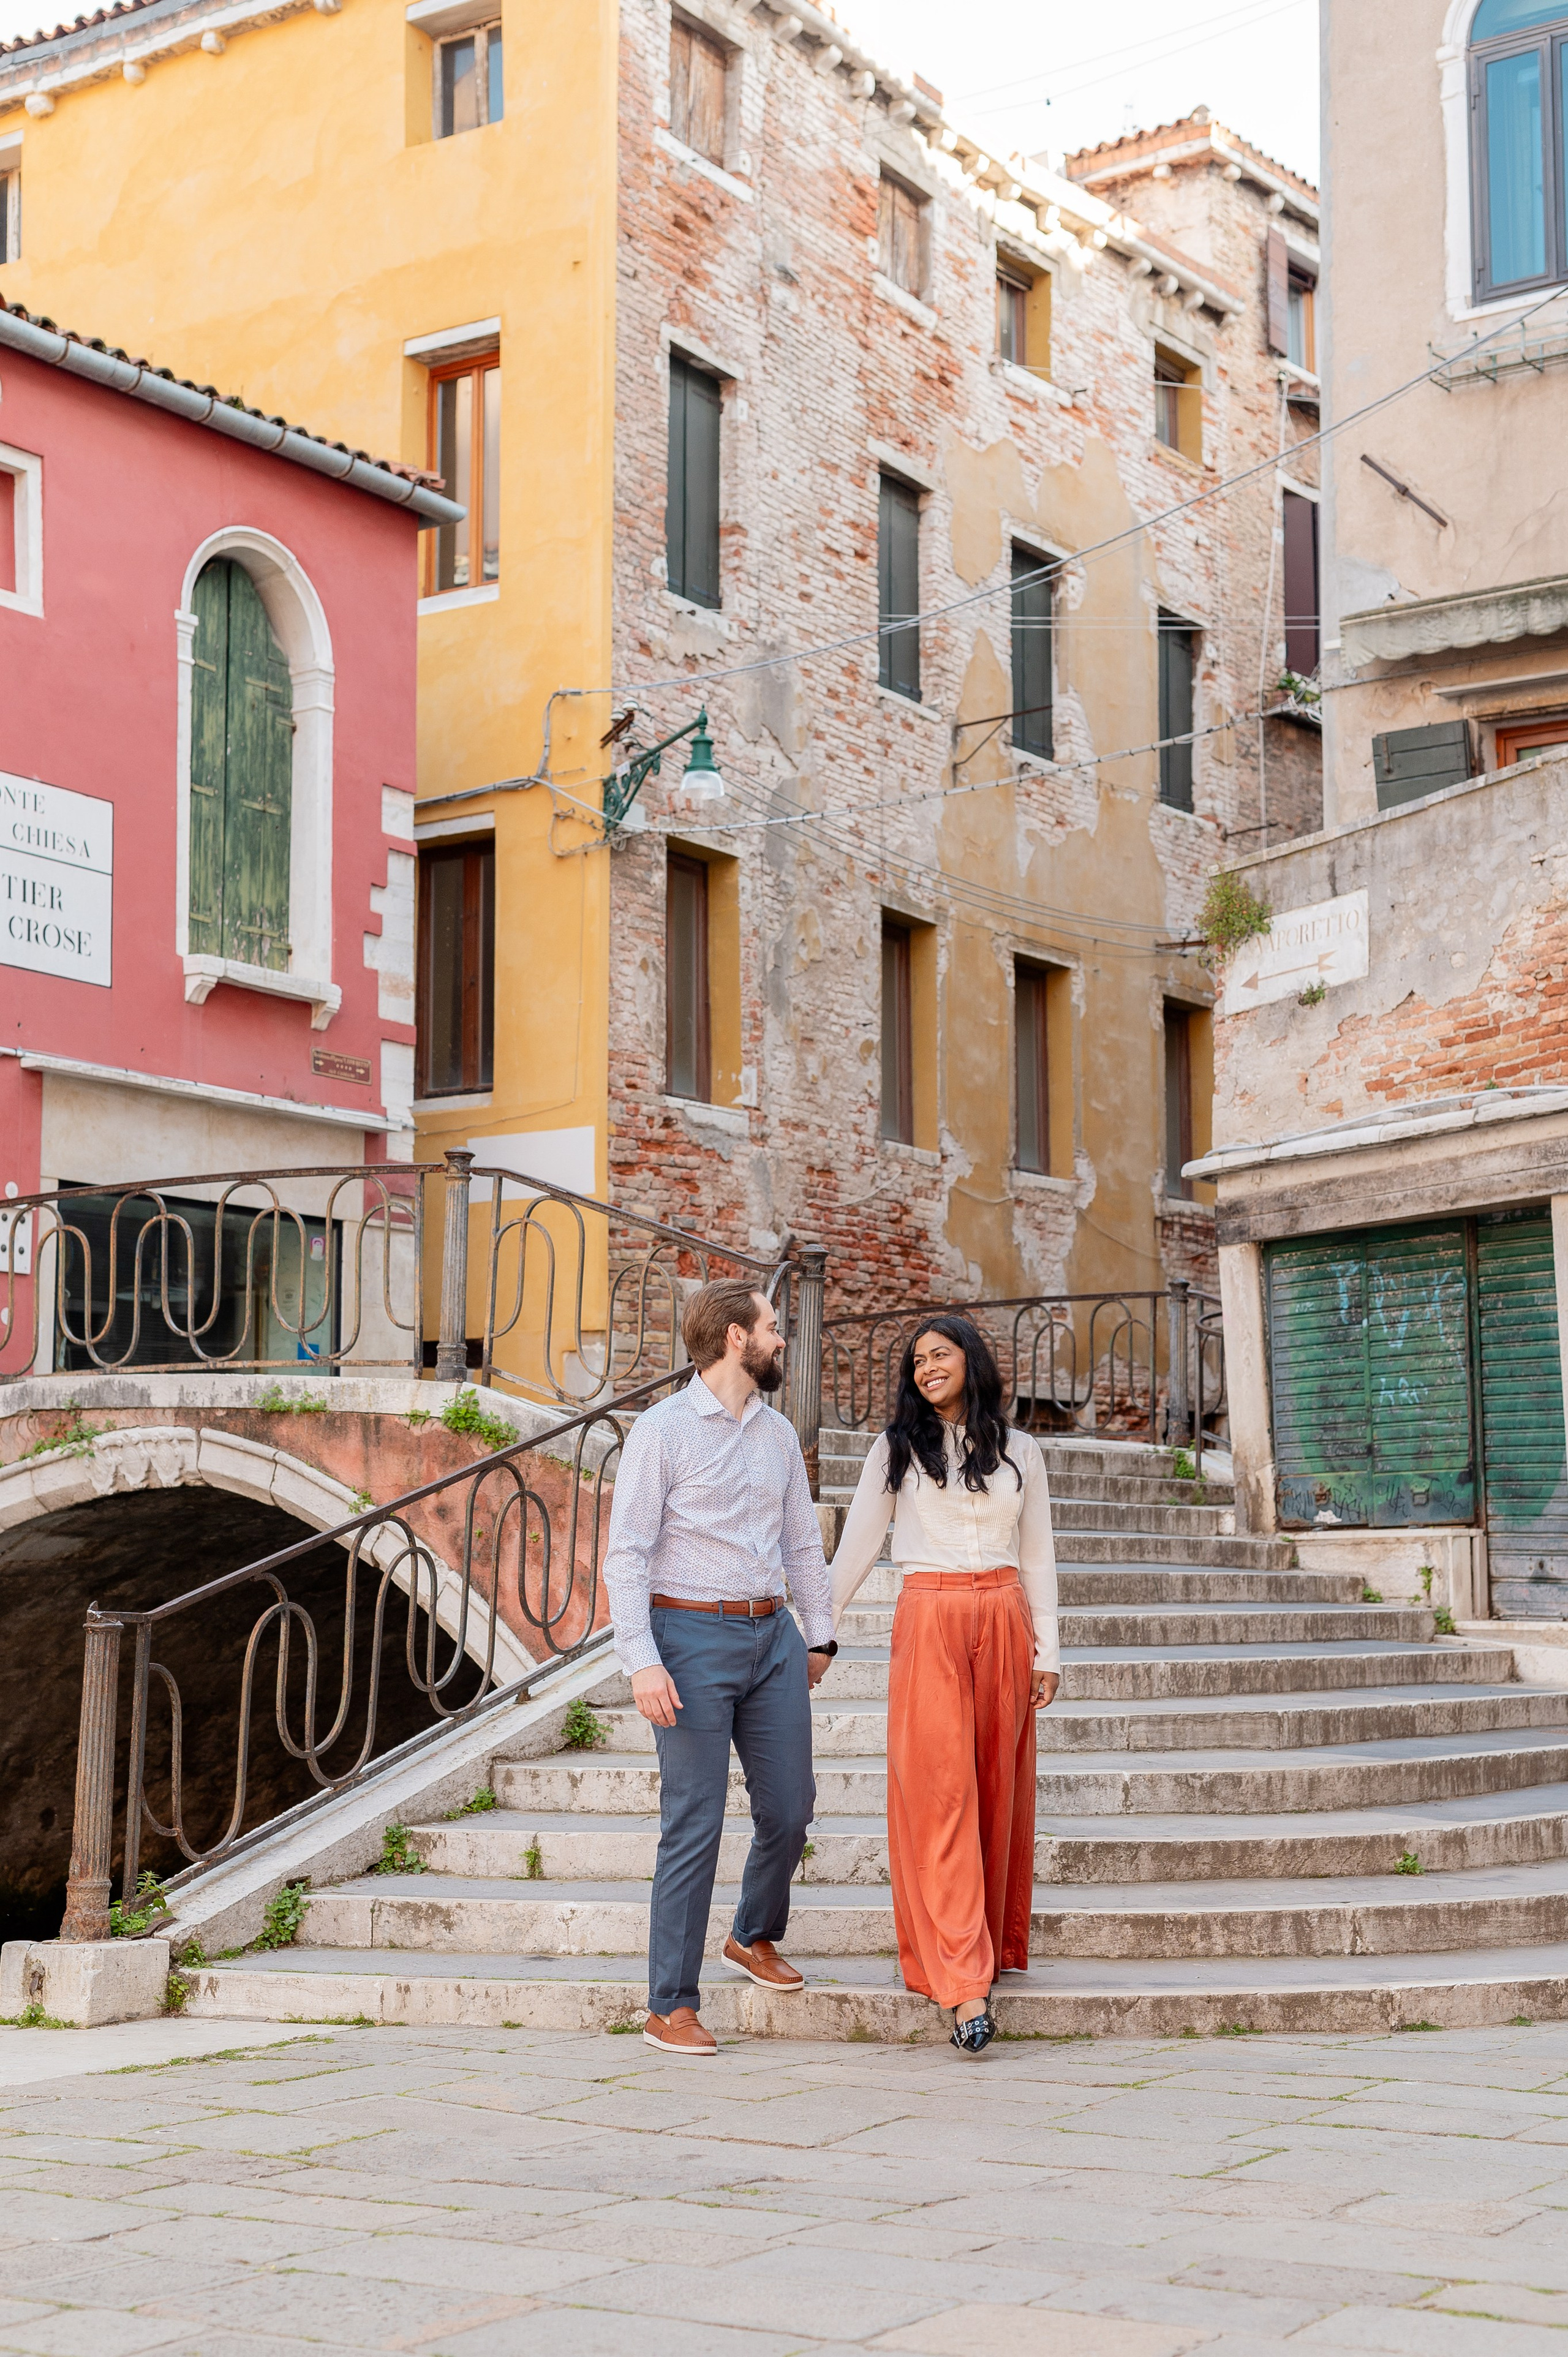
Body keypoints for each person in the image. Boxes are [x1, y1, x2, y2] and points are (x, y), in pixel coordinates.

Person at [603, 1277, 837, 2057]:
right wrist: (641, 1659)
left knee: (791, 1805)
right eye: (772, 1327)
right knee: (694, 1822)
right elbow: (627, 1554)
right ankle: (669, 2003)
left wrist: (820, 1634)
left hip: (772, 1637)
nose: (780, 1340)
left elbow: (803, 1542)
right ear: (737, 1336)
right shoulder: (662, 1430)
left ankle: (752, 1933)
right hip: (688, 1638)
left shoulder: (775, 1434)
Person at [828, 1314, 1060, 2054]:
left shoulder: (1021, 1450)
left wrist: (1047, 1651)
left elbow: (1039, 1554)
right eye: (917, 1360)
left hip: (1004, 1615)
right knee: (944, 1792)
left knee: (995, 1786)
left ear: (970, 1359)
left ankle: (985, 1943)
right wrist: (816, 1629)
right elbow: (856, 1546)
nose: (927, 1367)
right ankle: (963, 1984)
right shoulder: (896, 1448)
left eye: (940, 1354)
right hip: (928, 1615)